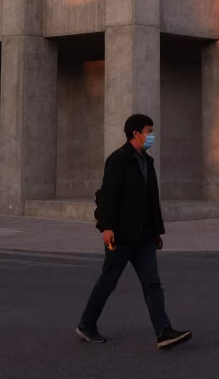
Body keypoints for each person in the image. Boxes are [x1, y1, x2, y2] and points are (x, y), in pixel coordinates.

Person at [76, 113, 192, 350]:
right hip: (120, 235)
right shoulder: (118, 160)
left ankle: (164, 332)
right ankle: (87, 325)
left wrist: (157, 231)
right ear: (135, 134)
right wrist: (106, 227)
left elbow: (152, 201)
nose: (151, 136)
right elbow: (107, 197)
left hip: (145, 236)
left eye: (151, 131)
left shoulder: (147, 162)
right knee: (108, 282)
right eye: (148, 131)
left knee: (152, 283)